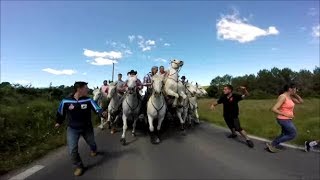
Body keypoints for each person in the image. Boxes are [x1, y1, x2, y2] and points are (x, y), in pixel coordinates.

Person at [55, 81, 107, 176]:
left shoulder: (88, 100)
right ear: (79, 89)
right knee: (72, 150)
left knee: (92, 143)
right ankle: (79, 166)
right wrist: (58, 122)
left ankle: (94, 149)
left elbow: (97, 108)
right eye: (86, 88)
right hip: (72, 129)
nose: (88, 89)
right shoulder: (65, 101)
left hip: (87, 128)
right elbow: (60, 112)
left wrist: (102, 113)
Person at [266, 83, 303, 153]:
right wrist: (285, 114)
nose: (296, 90)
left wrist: (295, 94)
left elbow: (301, 101)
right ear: (290, 89)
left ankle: (272, 144)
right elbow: (274, 109)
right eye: (295, 89)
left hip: (287, 119)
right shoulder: (283, 97)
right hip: (283, 119)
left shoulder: (290, 97)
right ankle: (273, 144)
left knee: (284, 134)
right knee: (292, 134)